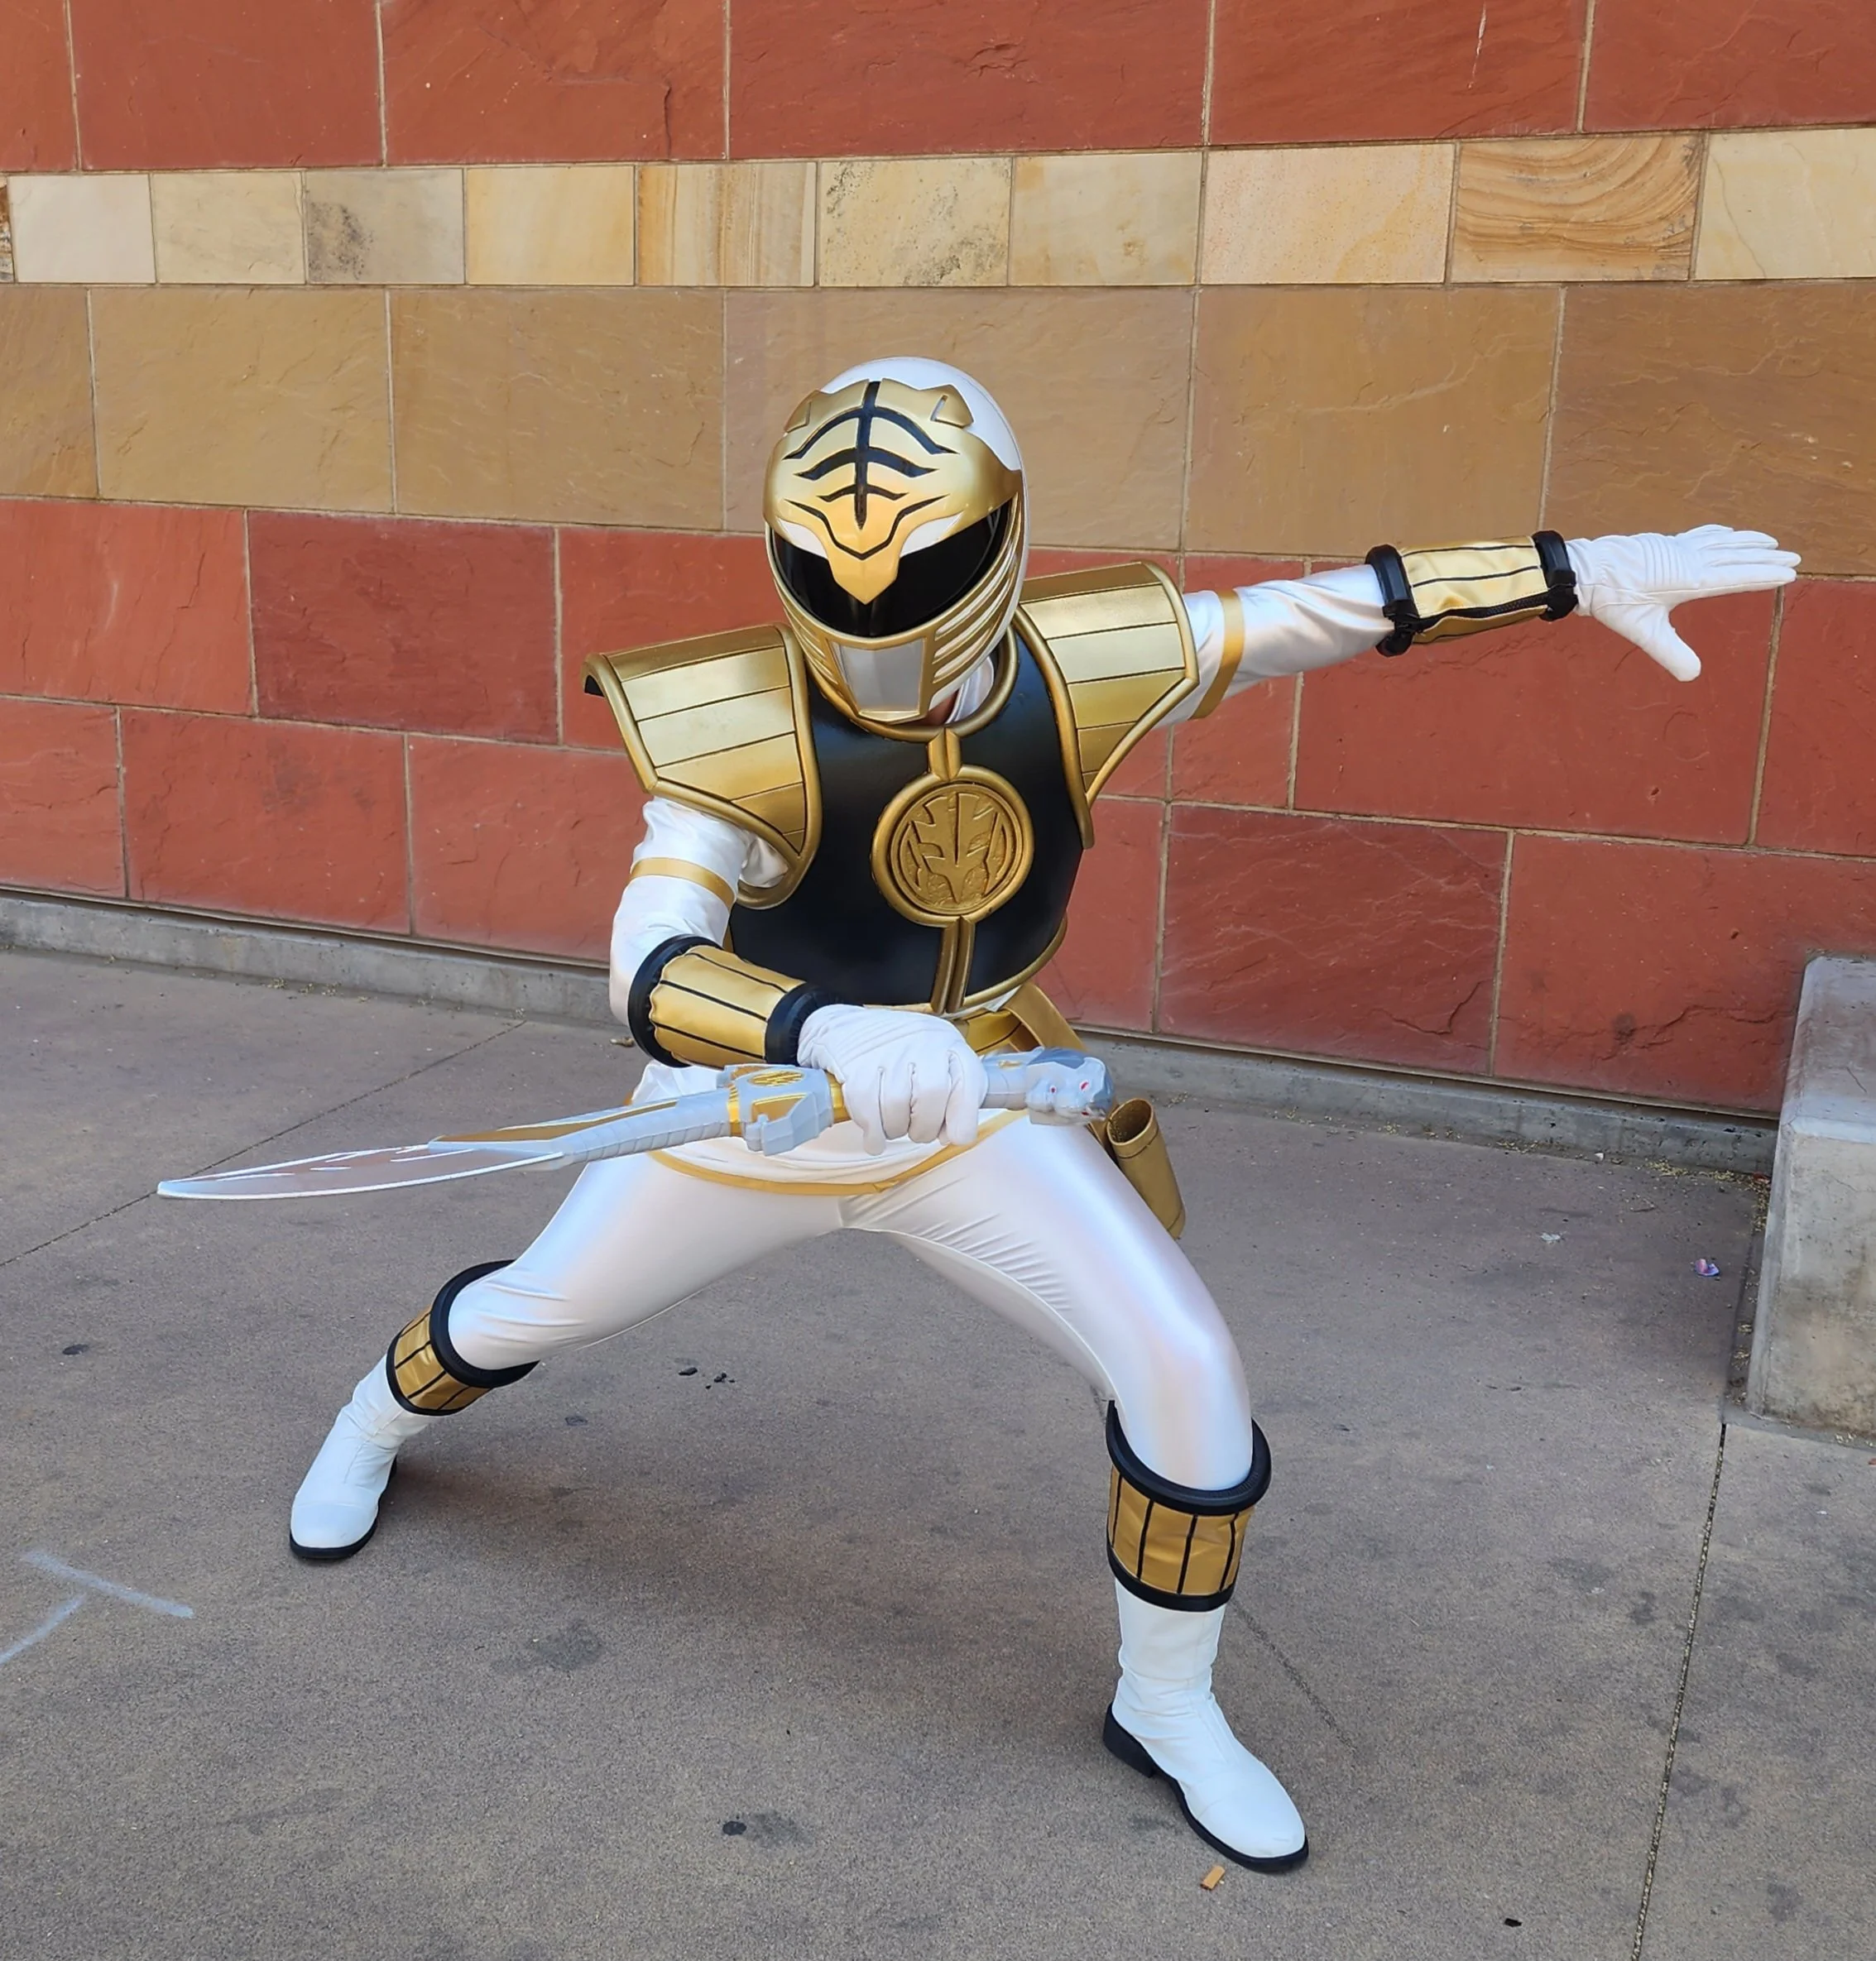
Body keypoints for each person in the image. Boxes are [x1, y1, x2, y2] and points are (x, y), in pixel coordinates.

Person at [289, 357, 1797, 1871]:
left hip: (981, 1099)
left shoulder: (1085, 660)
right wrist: (823, 1027)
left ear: (998, 537)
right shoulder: (719, 720)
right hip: (743, 1113)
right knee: (536, 1304)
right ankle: (371, 1417)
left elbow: (1328, 612)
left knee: (1189, 1370)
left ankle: (1168, 1702)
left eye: (921, 567)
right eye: (832, 570)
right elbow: (648, 962)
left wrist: (1572, 571)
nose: (877, 611)